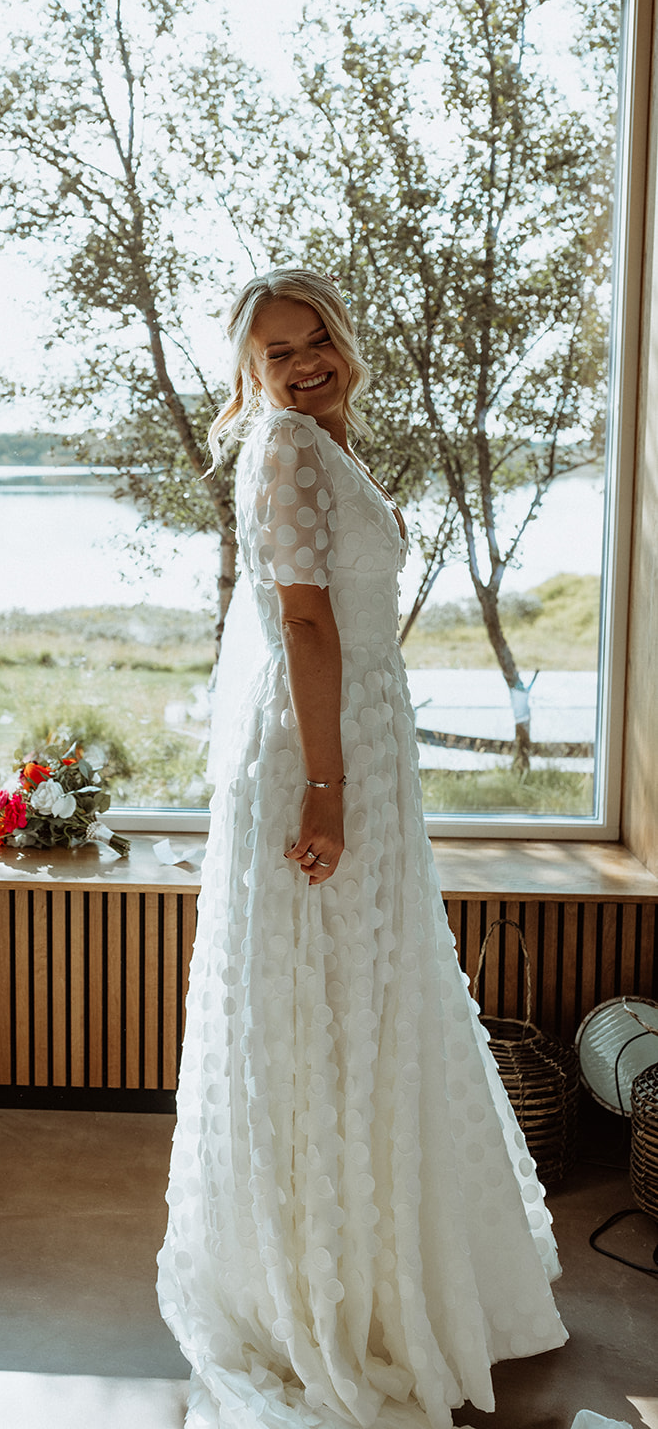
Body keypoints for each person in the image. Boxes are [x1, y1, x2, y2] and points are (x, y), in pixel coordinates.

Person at [157, 270, 567, 1428]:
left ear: (342, 340)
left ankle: (379, 1261)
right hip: (318, 755)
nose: (300, 363)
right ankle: (329, 1291)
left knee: (363, 993)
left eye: (313, 340)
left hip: (358, 750)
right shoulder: (285, 446)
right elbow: (300, 619)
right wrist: (326, 789)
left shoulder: (315, 442)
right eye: (274, 351)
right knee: (327, 998)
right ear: (248, 370)